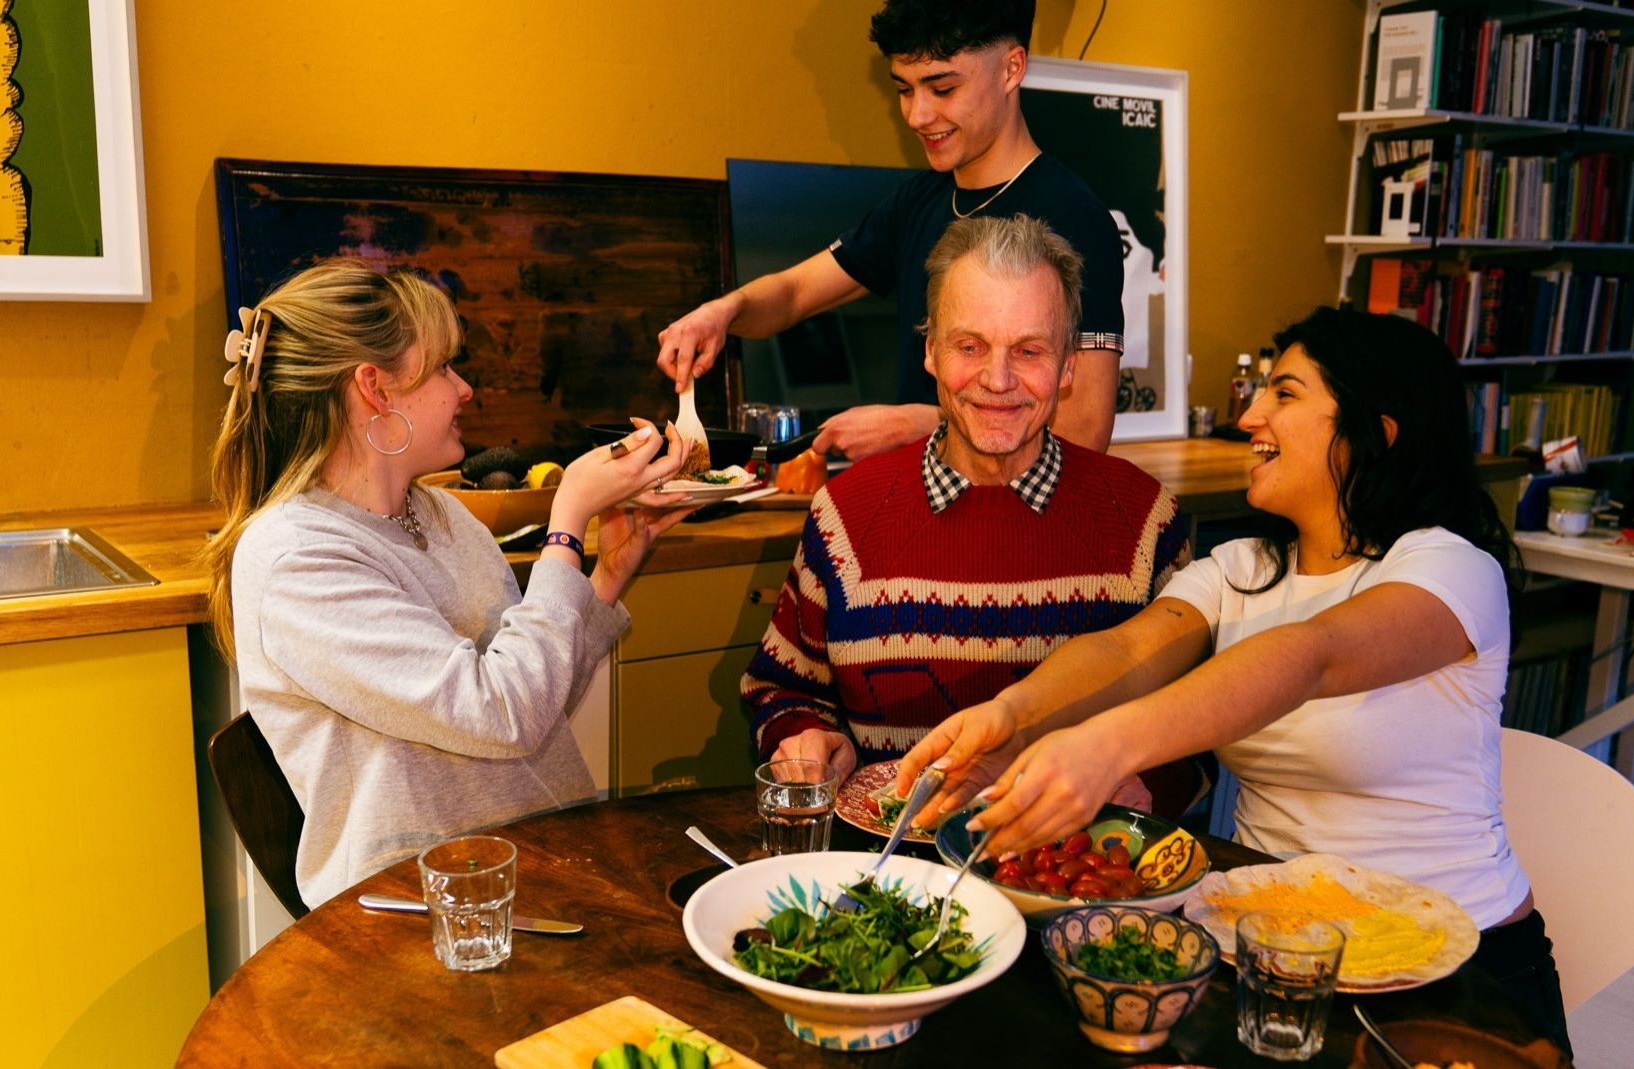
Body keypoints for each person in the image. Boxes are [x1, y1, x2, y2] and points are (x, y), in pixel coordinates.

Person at [896, 305, 1574, 1056]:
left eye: (1285, 393)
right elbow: (1126, 652)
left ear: (1376, 432)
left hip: (1454, 974)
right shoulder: (1244, 569)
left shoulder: (1451, 569)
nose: (1250, 413)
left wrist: (1104, 747)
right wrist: (1014, 715)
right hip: (1263, 962)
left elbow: (1309, 655)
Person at [202, 258, 695, 909]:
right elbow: (501, 713)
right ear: (374, 388)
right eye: (443, 367)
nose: (463, 388)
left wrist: (605, 575)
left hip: (530, 864)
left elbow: (531, 702)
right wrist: (566, 520)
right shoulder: (297, 556)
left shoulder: (441, 514)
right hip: (420, 904)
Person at [741, 214, 1201, 817]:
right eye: (970, 346)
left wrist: (1146, 782)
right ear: (930, 351)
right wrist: (805, 739)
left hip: (1071, 882)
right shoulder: (845, 514)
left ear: (1068, 366)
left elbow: (1204, 722)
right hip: (890, 880)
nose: (998, 380)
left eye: (1030, 350)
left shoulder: (1146, 520)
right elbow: (782, 687)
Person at [656, 0, 1124, 458]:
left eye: (942, 89)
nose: (918, 115)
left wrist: (922, 423)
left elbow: (1084, 434)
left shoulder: (1074, 217)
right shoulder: (918, 201)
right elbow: (796, 292)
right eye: (904, 90)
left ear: (1011, 68)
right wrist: (723, 312)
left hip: (1020, 524)